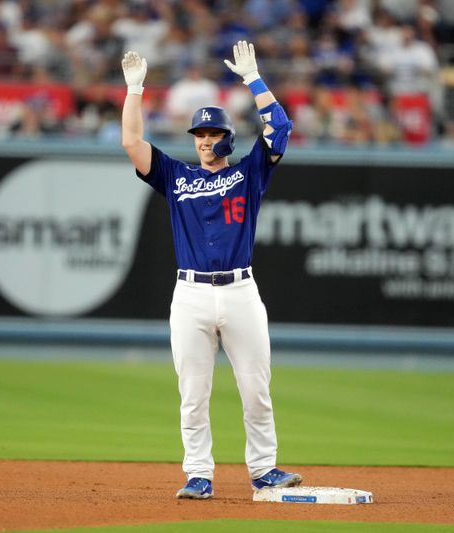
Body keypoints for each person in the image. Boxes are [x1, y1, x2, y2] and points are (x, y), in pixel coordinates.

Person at [120, 40, 302, 500]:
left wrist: (253, 79)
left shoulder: (248, 173)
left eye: (212, 134)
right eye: (199, 135)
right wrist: (136, 91)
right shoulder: (177, 177)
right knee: (193, 395)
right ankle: (198, 475)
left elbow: (280, 127)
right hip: (191, 295)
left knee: (256, 390)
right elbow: (132, 142)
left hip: (240, 290)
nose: (204, 141)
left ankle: (264, 471)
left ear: (228, 138)